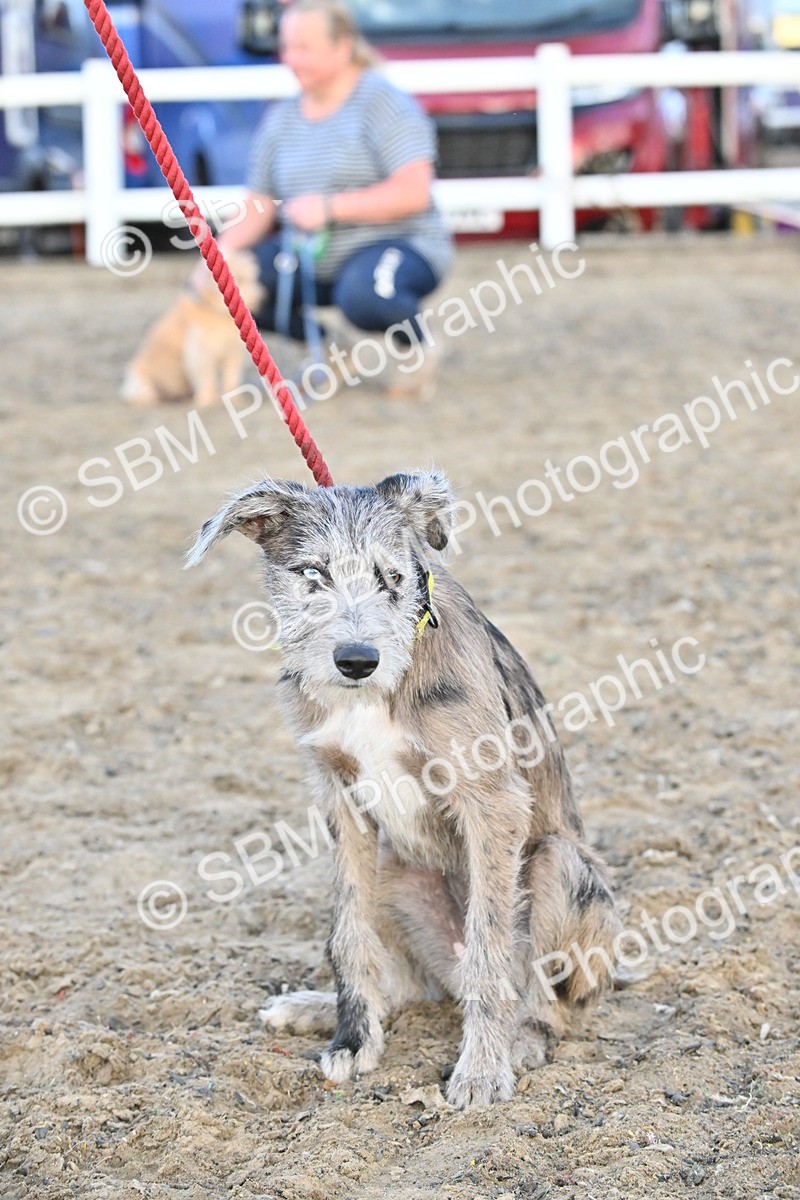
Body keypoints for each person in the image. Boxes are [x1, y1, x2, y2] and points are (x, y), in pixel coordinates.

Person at [215, 0, 453, 398]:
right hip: (310, 254)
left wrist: (330, 208)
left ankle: (419, 348)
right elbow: (258, 203)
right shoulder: (282, 118)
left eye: (303, 48)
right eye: (286, 47)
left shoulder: (383, 102)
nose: (290, 59)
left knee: (364, 296)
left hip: (398, 243)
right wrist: (219, 258)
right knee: (236, 284)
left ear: (342, 46)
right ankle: (332, 350)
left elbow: (414, 192)